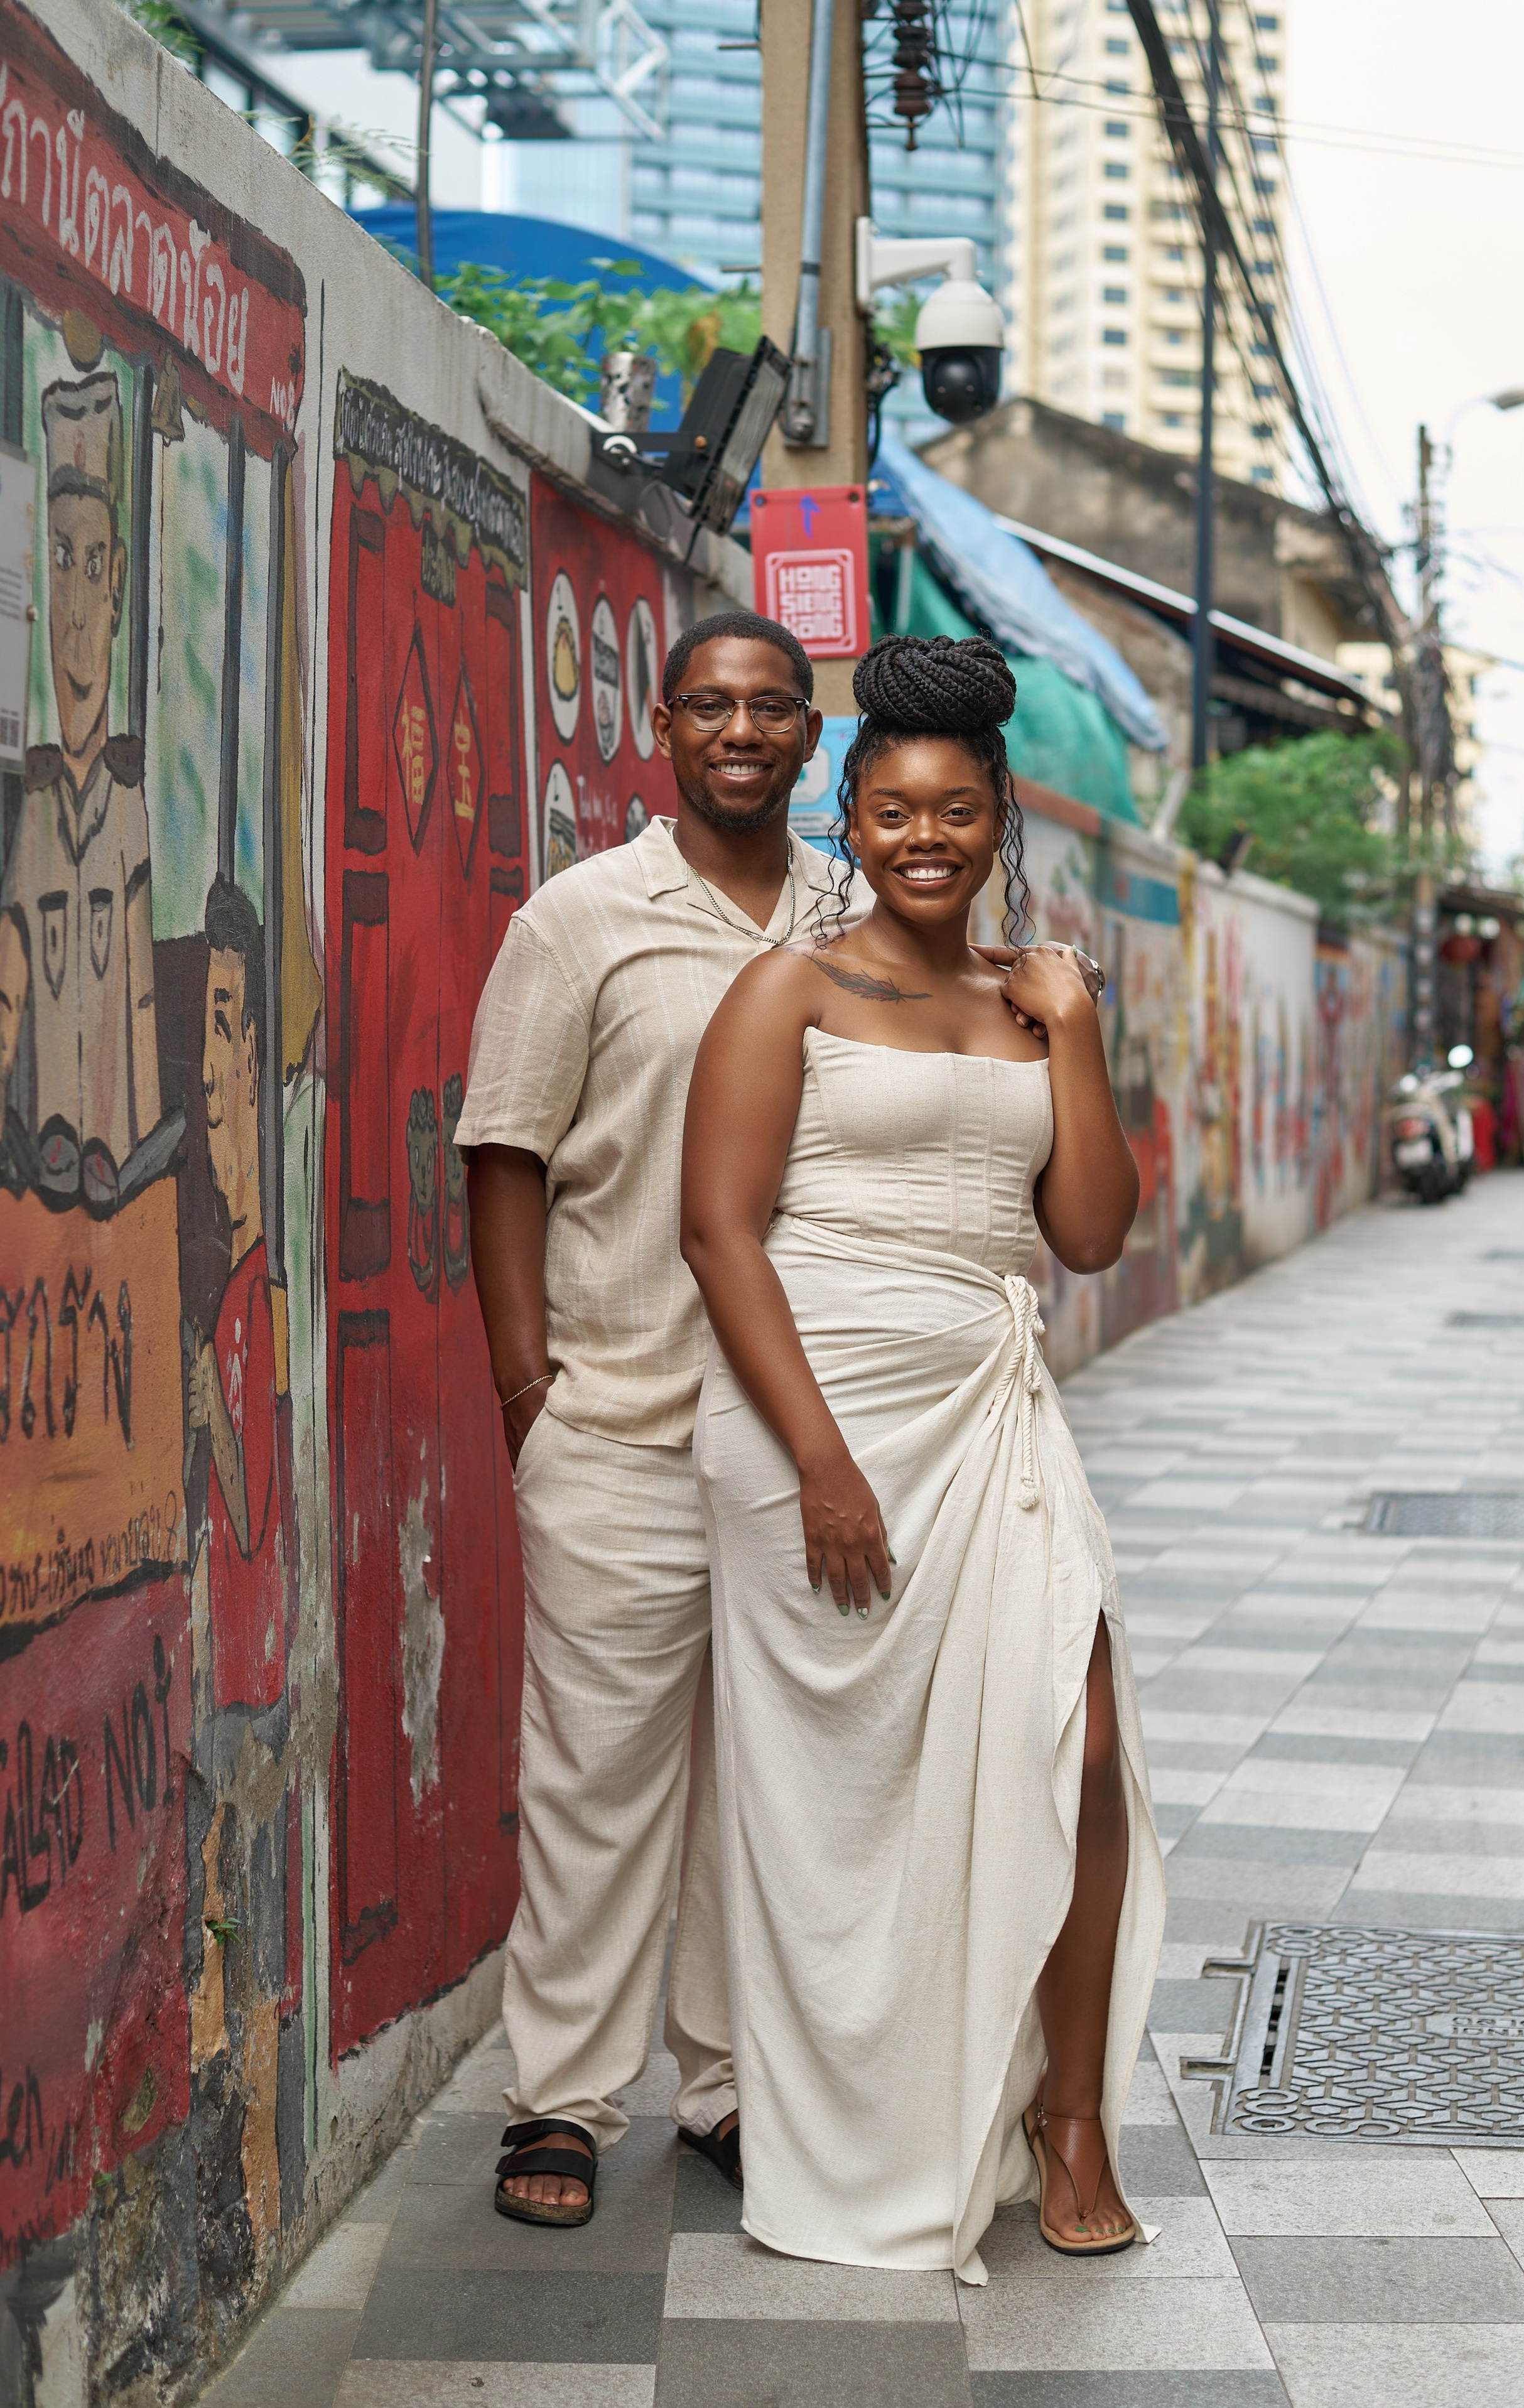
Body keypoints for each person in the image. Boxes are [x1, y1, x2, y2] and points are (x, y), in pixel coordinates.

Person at [680, 634, 1165, 2283]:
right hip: (813, 1418)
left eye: (955, 811)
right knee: (848, 1798)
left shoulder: (1030, 998)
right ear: (854, 818)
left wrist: (1080, 1031)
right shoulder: (791, 989)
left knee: (1081, 1749)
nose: (924, 840)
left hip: (994, 1410)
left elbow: (1089, 1232)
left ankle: (1072, 2115)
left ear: (994, 814)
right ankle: (868, 2111)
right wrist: (819, 1462)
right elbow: (721, 1233)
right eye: (891, 812)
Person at [456, 610, 865, 2228]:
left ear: (811, 735)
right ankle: (556, 2100)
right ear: (665, 730)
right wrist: (524, 1391)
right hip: (617, 1413)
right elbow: (504, 1155)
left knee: (767, 1778)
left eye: (775, 705)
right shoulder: (581, 921)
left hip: (794, 1435)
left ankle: (721, 2088)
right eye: (713, 705)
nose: (745, 729)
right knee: (597, 1770)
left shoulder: (856, 915)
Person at [1, 372, 163, 1212]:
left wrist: (129, 1150)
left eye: (94, 563)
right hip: (49, 1152)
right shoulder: (29, 809)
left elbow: (139, 999)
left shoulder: (127, 802)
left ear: (117, 585)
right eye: (62, 559)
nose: (75, 607)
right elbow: (10, 980)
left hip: (109, 1163)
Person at [186, 877, 287, 1712]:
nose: (209, 1079)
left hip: (256, 1689)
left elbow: (253, 1515)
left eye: (222, 1027)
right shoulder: (238, 1291)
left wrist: (206, 1398)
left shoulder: (259, 1298)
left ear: (254, 1054)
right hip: (233, 1669)